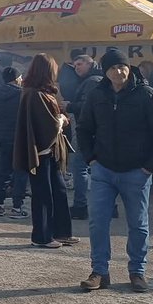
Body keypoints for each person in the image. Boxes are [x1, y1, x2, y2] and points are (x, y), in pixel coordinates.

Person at [77, 48, 153, 293]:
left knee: (138, 224)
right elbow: (84, 129)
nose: (118, 72)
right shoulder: (96, 95)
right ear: (105, 71)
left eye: (122, 66)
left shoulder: (148, 95)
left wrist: (149, 167)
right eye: (112, 68)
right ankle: (99, 271)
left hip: (136, 172)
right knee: (97, 222)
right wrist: (91, 160)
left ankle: (137, 272)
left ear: (129, 68)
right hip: (103, 171)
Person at [13, 54, 74, 250]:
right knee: (43, 194)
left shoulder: (41, 92)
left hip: (50, 151)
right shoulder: (34, 94)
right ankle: (41, 236)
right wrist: (62, 120)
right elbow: (47, 124)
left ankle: (61, 232)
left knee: (59, 190)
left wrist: (60, 118)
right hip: (40, 152)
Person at [0, 65, 27, 219]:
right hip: (18, 138)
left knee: (3, 171)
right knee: (20, 172)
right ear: (17, 79)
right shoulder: (22, 94)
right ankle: (17, 207)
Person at [65, 55, 103, 220]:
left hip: (87, 131)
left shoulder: (92, 81)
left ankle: (80, 206)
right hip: (97, 131)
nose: (77, 68)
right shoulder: (96, 79)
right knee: (100, 169)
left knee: (79, 166)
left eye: (80, 64)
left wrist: (69, 106)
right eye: (74, 66)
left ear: (90, 63)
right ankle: (110, 206)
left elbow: (89, 106)